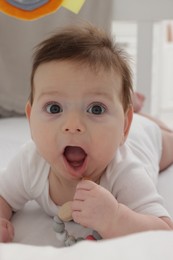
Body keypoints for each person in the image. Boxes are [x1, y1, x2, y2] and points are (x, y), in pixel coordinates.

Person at [0, 24, 173, 243]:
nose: (73, 125)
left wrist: (115, 218)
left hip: (146, 137)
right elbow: (3, 195)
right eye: (54, 108)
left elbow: (164, 232)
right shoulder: (30, 163)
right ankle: (127, 104)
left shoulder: (125, 173)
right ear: (30, 118)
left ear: (123, 127)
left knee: (168, 137)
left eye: (96, 109)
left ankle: (142, 115)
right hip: (128, 122)